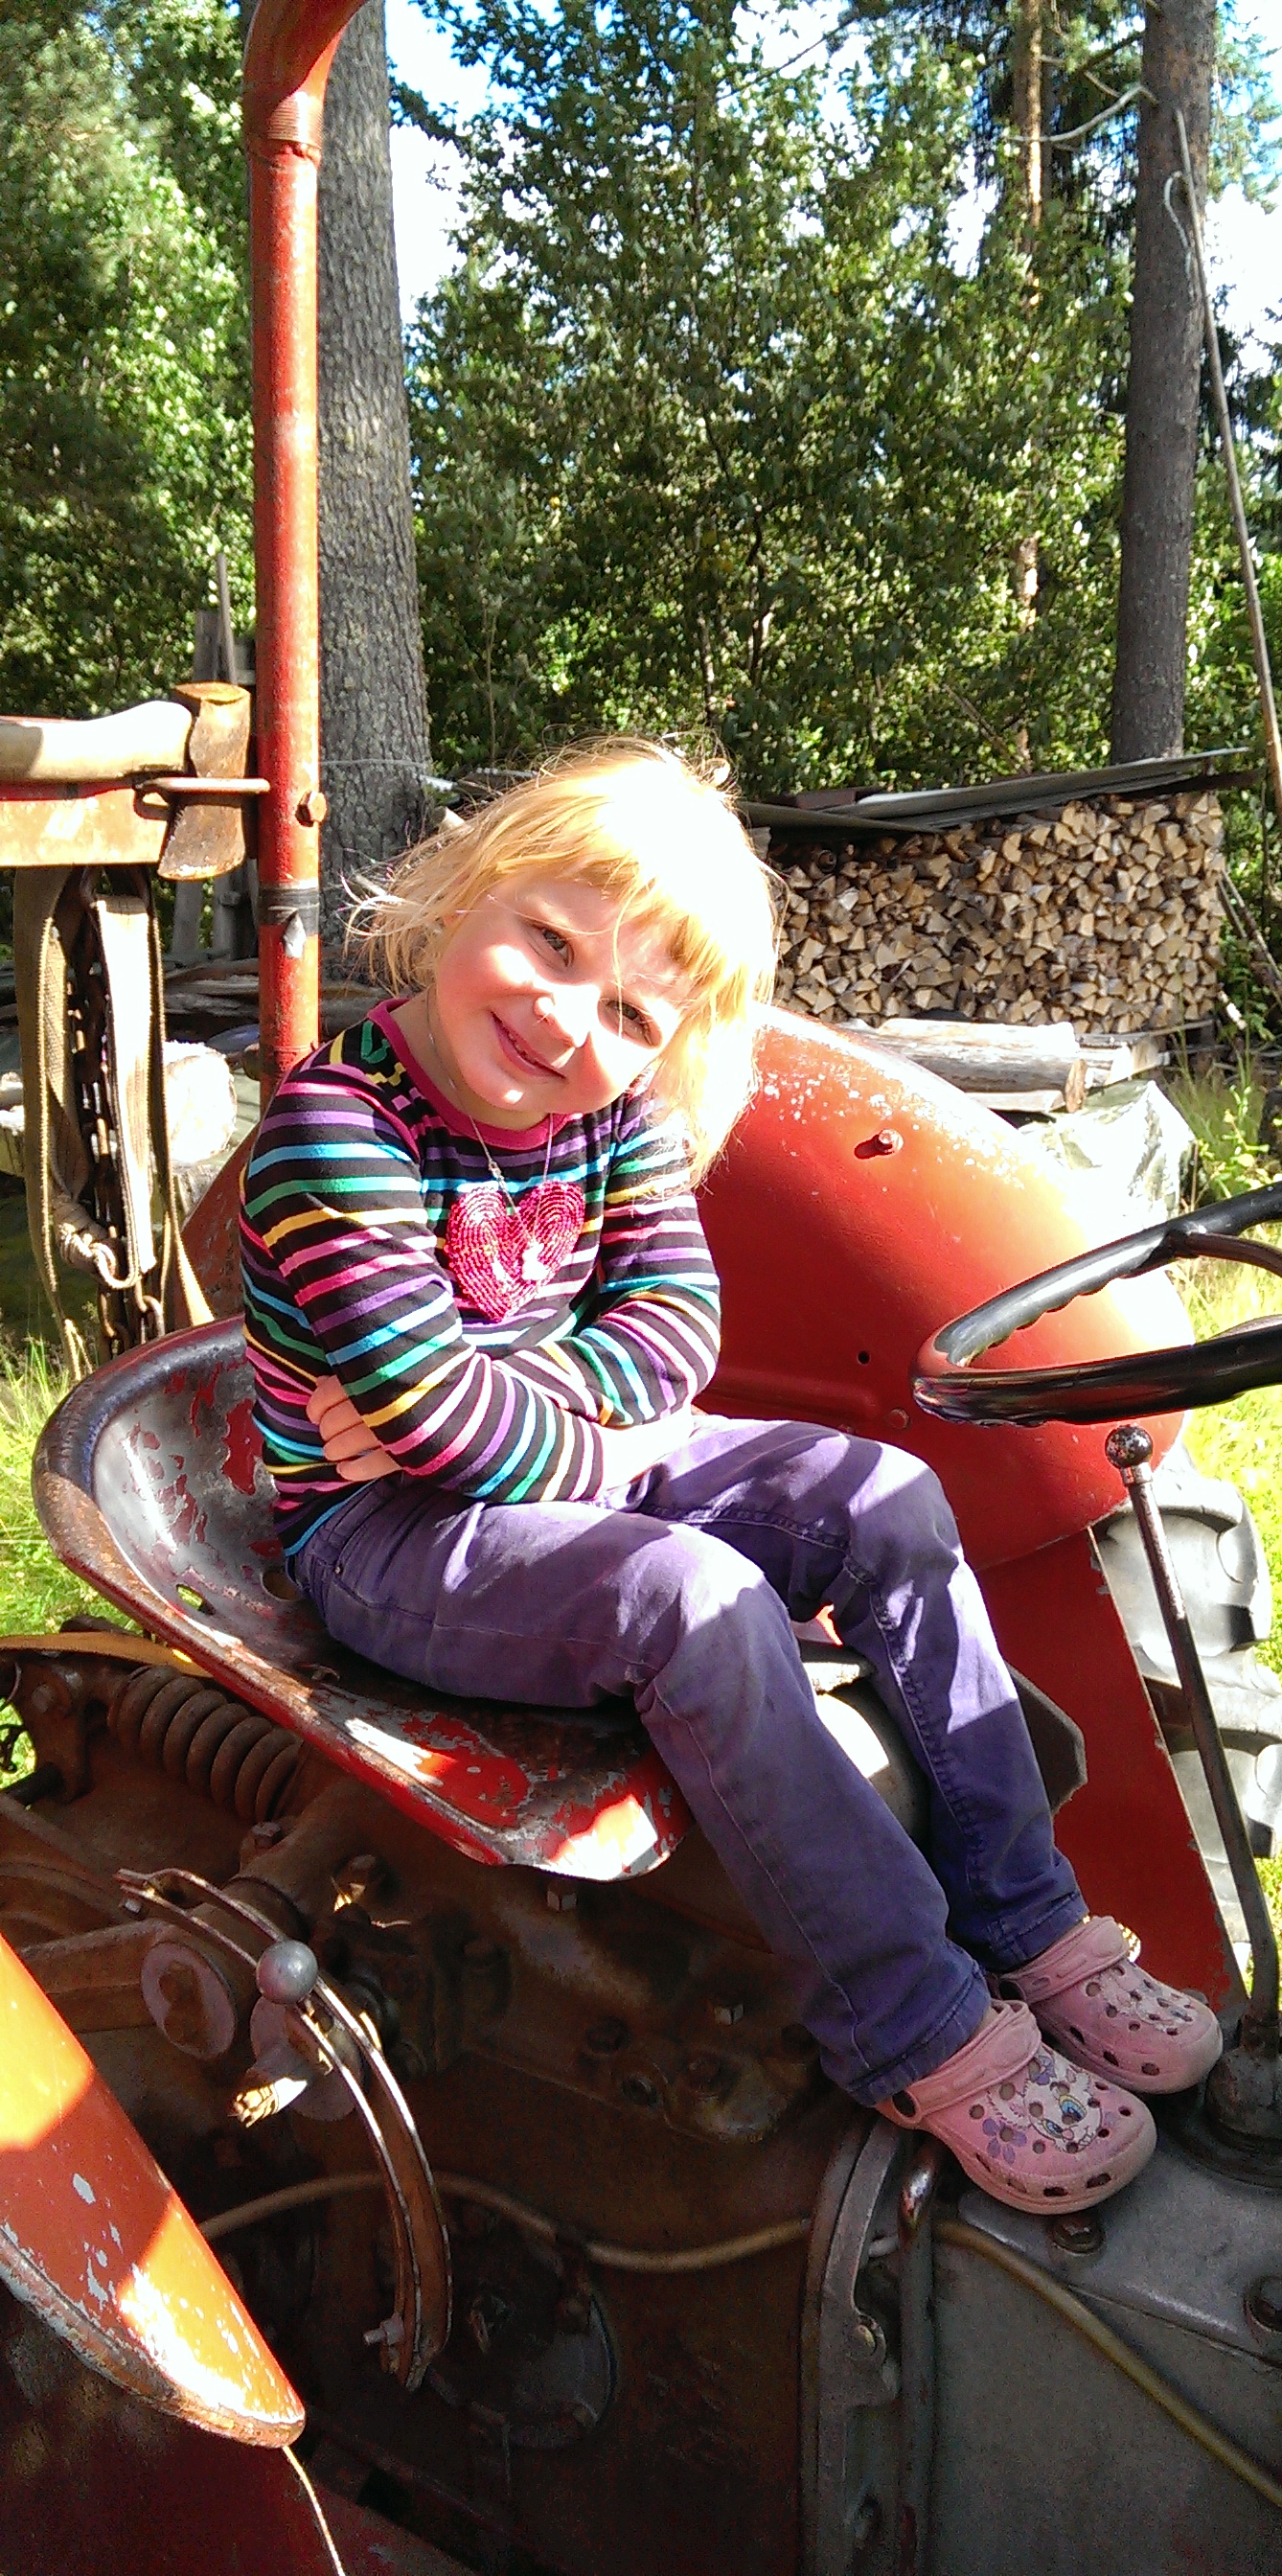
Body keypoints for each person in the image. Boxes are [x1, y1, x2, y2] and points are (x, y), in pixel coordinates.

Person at [240, 739, 1221, 2213]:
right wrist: (564, 1427)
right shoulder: (336, 1135)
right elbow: (437, 1438)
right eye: (549, 941)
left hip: (543, 1463)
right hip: (386, 1535)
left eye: (633, 1010)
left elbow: (673, 1330)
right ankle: (911, 2023)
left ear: (667, 1045)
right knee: (690, 1600)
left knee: (884, 1497)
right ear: (463, 889)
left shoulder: (611, 1118)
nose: (568, 1016)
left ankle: (1025, 1916)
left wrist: (540, 1402)